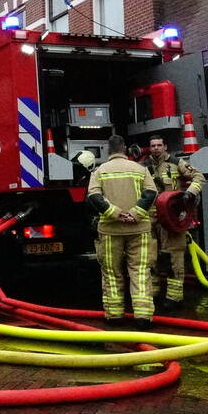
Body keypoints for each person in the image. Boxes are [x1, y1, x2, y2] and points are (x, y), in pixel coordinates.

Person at [87, 135, 158, 329]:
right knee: (140, 271)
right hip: (139, 228)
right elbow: (151, 193)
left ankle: (114, 316)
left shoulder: (99, 172)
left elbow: (94, 196)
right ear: (125, 149)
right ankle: (143, 317)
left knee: (111, 272)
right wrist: (134, 214)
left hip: (110, 231)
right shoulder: (140, 169)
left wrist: (116, 214)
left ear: (108, 150)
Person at [143, 134, 205, 311]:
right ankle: (154, 294)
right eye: (152, 145)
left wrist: (190, 193)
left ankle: (174, 298)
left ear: (165, 146)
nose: (155, 148)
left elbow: (199, 177)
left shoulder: (176, 163)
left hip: (171, 217)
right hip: (151, 219)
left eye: (158, 145)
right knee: (150, 258)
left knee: (174, 257)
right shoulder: (144, 168)